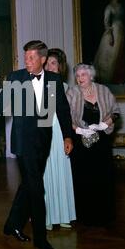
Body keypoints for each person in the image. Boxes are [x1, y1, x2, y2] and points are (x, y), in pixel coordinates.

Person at [0, 40, 73, 249]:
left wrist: (68, 136)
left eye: (31, 57)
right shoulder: (16, 77)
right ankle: (41, 238)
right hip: (23, 143)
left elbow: (63, 110)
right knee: (37, 189)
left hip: (43, 142)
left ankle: (11, 225)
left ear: (43, 59)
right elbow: (1, 103)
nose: (26, 61)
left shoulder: (54, 79)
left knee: (29, 185)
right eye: (25, 57)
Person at [66, 63, 120, 226]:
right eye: (77, 75)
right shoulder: (72, 93)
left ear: (91, 76)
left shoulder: (103, 90)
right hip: (80, 142)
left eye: (83, 75)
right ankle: (84, 215)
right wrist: (79, 131)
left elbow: (116, 112)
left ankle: (104, 215)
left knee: (103, 176)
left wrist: (104, 125)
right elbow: (65, 117)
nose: (79, 78)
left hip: (102, 141)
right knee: (83, 178)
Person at [43, 49, 76, 230]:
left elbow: (66, 115)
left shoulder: (64, 88)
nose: (49, 66)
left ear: (60, 67)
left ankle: (64, 214)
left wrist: (67, 137)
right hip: (43, 133)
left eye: (53, 63)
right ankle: (46, 216)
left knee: (62, 171)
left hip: (59, 133)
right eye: (47, 63)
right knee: (45, 172)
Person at [93, 0, 125, 84]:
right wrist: (110, 35)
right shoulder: (109, 7)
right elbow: (106, 22)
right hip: (113, 32)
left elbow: (123, 19)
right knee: (111, 55)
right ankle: (112, 78)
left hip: (121, 31)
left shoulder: (121, 6)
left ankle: (121, 78)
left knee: (121, 54)